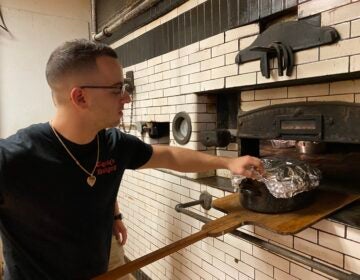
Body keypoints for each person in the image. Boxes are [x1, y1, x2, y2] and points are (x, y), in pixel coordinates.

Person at [0, 39, 263, 279]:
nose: (126, 97)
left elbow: (169, 155)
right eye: (117, 89)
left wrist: (228, 163)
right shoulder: (14, 158)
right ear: (80, 97)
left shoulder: (113, 144)